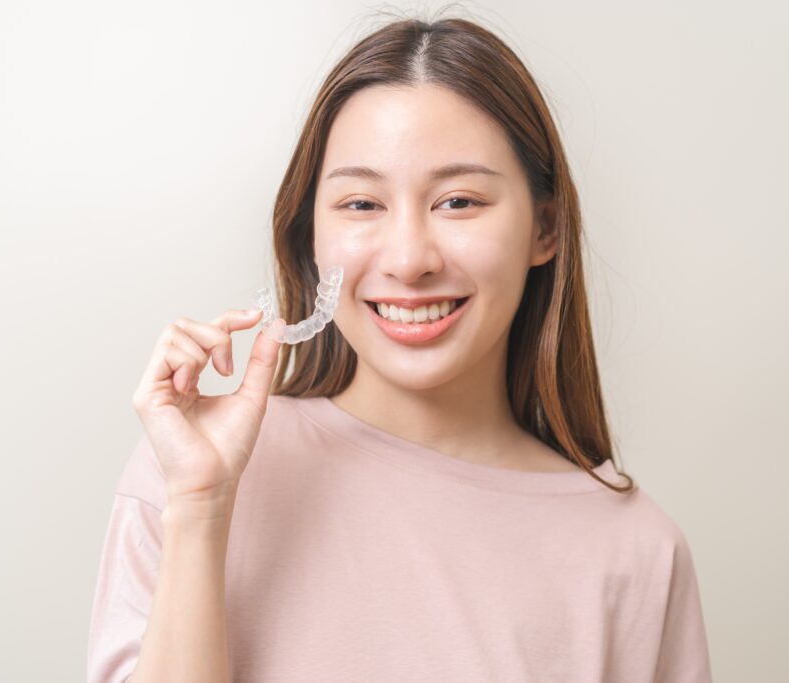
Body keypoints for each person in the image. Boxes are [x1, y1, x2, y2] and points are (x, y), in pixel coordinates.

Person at [86, 14, 714, 683]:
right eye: (361, 205)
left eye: (459, 201)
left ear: (545, 228)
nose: (410, 259)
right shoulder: (191, 471)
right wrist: (202, 508)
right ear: (311, 239)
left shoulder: (638, 553)